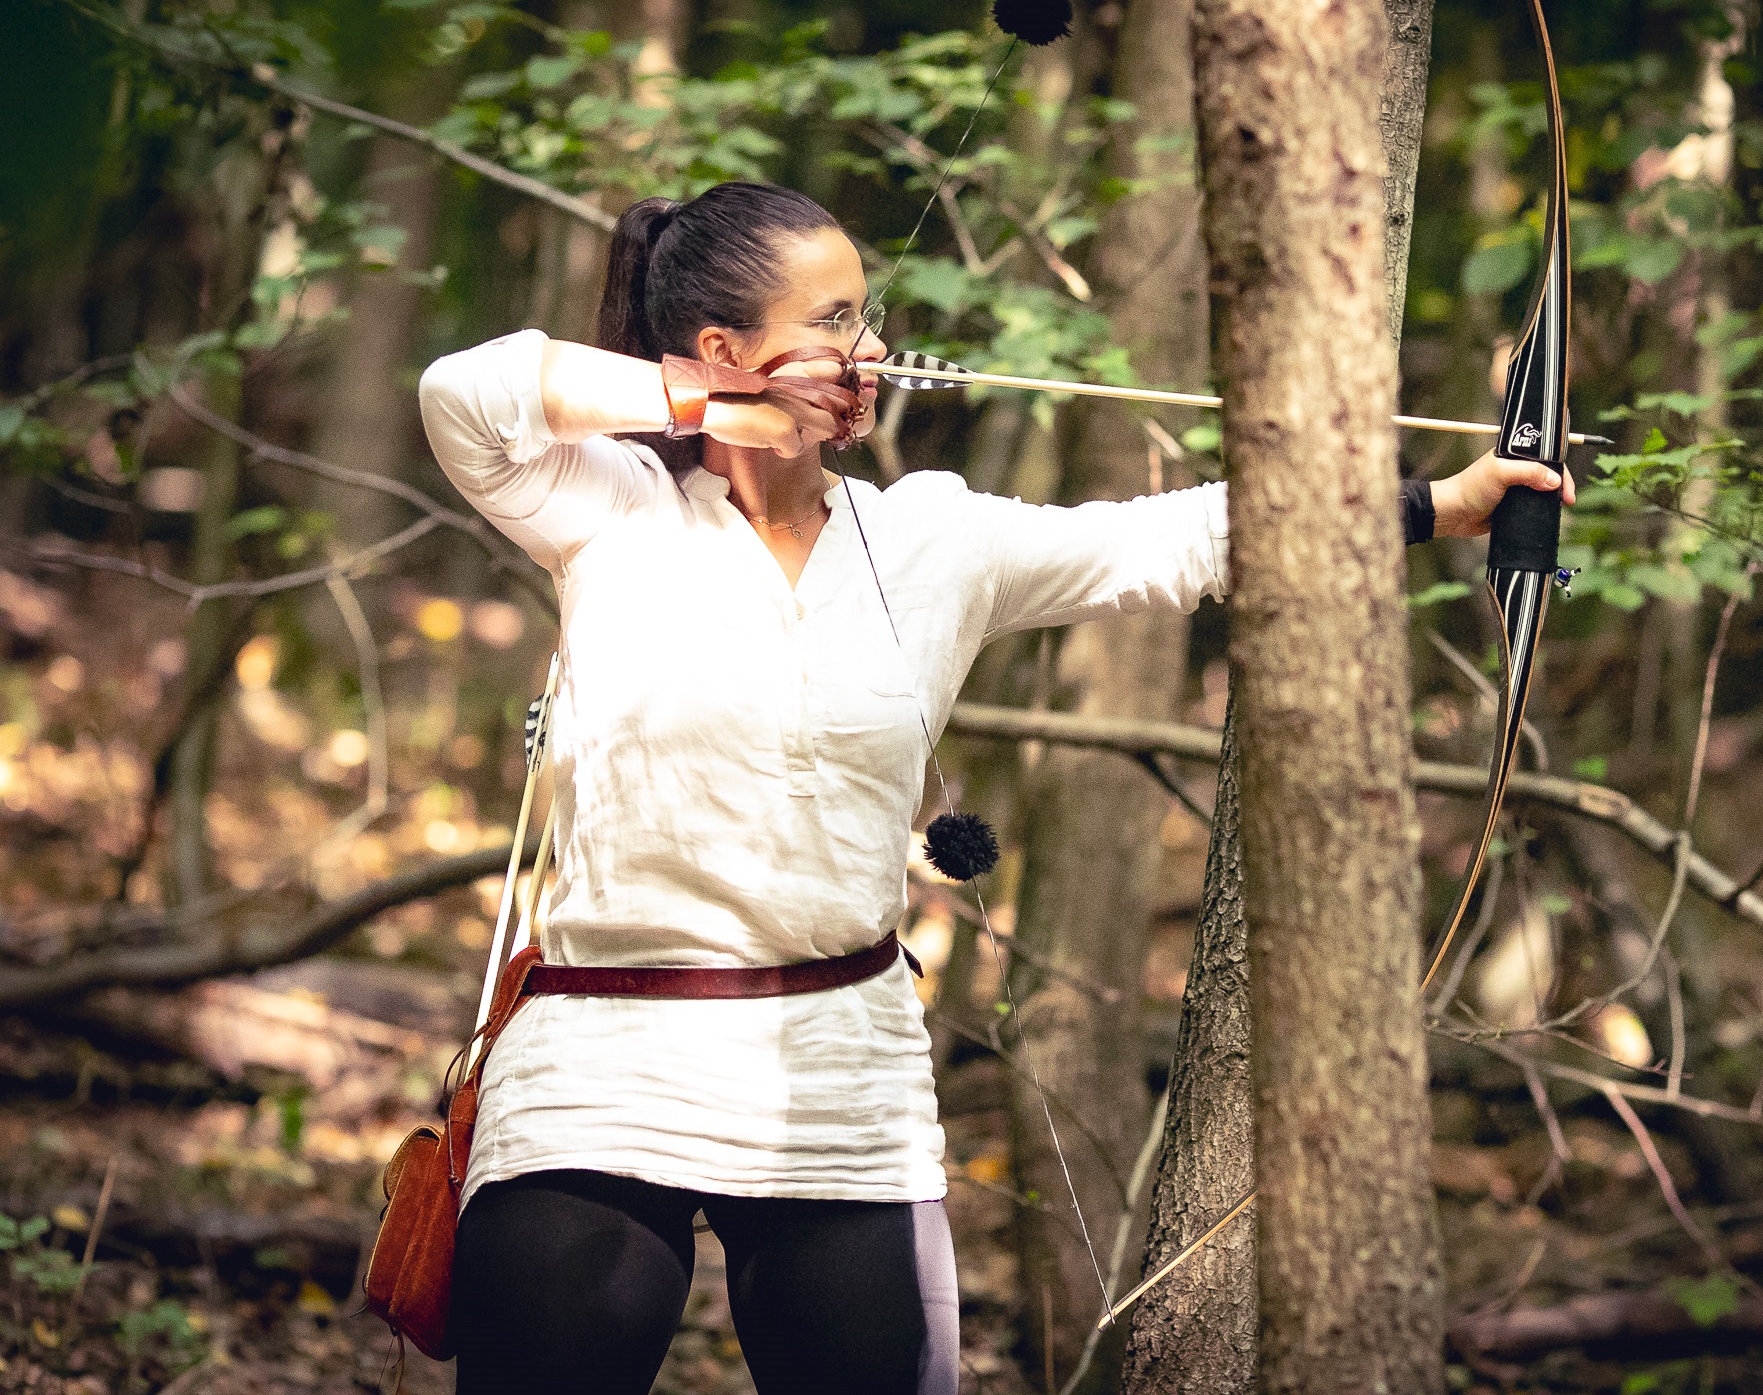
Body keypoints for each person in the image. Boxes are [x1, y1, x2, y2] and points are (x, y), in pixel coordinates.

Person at [418, 180, 1574, 1395]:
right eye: (838, 321)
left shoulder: (932, 538)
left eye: (869, 317)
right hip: (605, 1065)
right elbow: (466, 392)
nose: (873, 350)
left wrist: (1439, 505)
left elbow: (1167, 541)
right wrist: (711, 408)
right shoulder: (607, 508)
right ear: (723, 350)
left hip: (839, 1069)